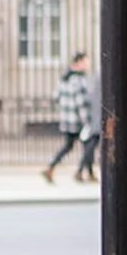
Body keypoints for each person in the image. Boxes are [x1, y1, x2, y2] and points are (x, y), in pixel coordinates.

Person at [44, 51, 97, 184]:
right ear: (79, 63)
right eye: (86, 61)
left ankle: (51, 167)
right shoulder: (79, 80)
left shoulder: (64, 78)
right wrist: (87, 122)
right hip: (78, 120)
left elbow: (56, 97)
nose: (88, 64)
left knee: (70, 146)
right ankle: (81, 172)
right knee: (90, 144)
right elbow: (82, 103)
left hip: (67, 120)